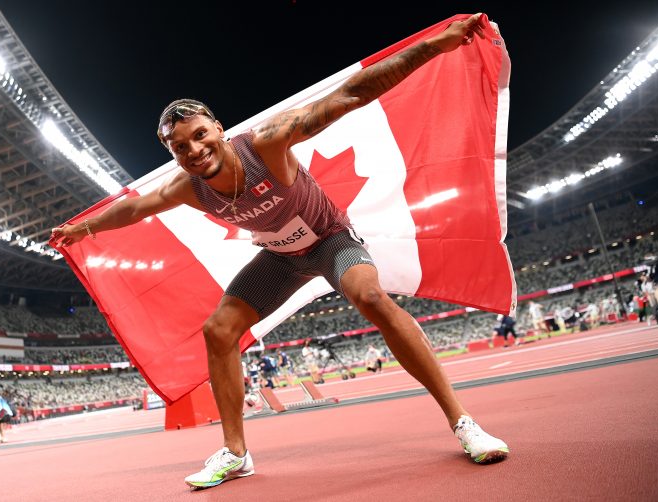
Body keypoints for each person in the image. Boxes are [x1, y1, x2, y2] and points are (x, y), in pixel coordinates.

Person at [51, 13, 508, 489]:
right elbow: (133, 209)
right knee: (218, 329)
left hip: (330, 241)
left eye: (200, 135)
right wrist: (81, 230)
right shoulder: (187, 187)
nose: (194, 150)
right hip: (280, 259)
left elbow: (349, 94)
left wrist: (435, 46)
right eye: (180, 148)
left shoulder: (266, 144)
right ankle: (235, 452)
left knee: (370, 298)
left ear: (219, 128)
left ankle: (463, 422)